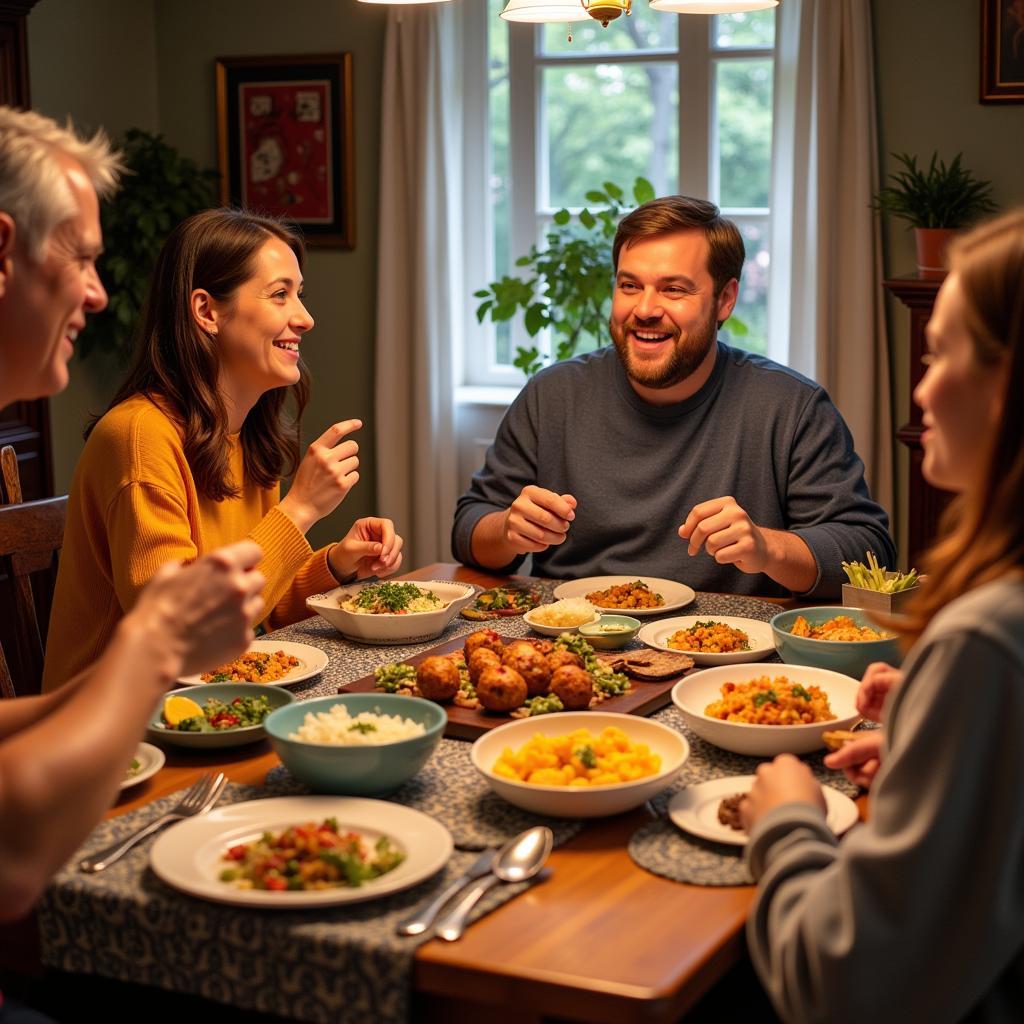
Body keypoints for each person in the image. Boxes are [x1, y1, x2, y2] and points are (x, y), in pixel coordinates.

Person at [740, 210, 1024, 1022]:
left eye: (943, 356)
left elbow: (843, 988)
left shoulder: (987, 639)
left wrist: (788, 823)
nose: (921, 387)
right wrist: (932, 735)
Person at [0, 107, 264, 925]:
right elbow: (12, 857)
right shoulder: (140, 431)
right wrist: (153, 647)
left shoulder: (240, 431)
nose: (97, 291)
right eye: (80, 258)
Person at [452, 196, 895, 599]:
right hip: (574, 644)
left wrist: (767, 548)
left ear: (725, 300)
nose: (644, 309)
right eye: (629, 285)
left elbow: (867, 553)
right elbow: (469, 529)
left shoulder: (792, 408)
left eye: (674, 289)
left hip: (725, 655)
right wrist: (508, 530)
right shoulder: (552, 395)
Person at [43, 208, 403, 690]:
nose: (306, 318)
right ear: (207, 311)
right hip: (120, 731)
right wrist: (298, 511)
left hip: (214, 700)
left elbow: (261, 605)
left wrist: (337, 563)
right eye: (280, 295)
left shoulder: (248, 434)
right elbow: (182, 636)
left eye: (300, 294)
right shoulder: (139, 436)